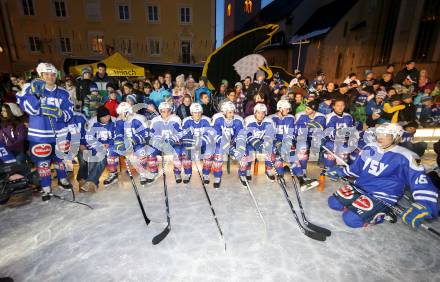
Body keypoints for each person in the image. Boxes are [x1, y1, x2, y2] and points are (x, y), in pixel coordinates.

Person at [327, 123, 438, 229]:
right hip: (360, 186)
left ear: (396, 137)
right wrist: (342, 171)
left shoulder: (409, 157)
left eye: (386, 134)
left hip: (383, 194)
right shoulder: (370, 147)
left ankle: (384, 213)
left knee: (351, 219)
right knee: (333, 203)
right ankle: (360, 206)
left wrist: (424, 205)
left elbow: (421, 180)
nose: (380, 137)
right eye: (379, 133)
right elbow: (357, 168)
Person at [16, 62, 74, 199]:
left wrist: (60, 114)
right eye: (46, 74)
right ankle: (46, 186)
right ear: (40, 75)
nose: (50, 77)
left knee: (60, 159)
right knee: (43, 163)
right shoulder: (30, 89)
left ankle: (62, 179)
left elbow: (69, 112)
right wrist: (37, 96)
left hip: (60, 133)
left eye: (53, 74)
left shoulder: (63, 92)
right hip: (40, 134)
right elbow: (29, 109)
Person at [113, 102, 150, 185]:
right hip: (128, 143)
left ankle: (143, 173)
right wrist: (119, 143)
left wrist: (133, 140)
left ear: (127, 112)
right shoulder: (119, 121)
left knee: (141, 154)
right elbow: (118, 134)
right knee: (117, 150)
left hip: (140, 142)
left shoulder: (139, 119)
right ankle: (134, 166)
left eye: (121, 113)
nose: (120, 115)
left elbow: (145, 134)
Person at [81, 106, 117, 192]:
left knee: (100, 159)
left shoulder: (113, 125)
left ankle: (90, 182)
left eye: (108, 116)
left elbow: (117, 138)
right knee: (93, 160)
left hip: (109, 149)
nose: (107, 118)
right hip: (97, 149)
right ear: (99, 118)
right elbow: (89, 140)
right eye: (104, 117)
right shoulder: (94, 126)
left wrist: (109, 144)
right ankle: (93, 184)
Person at [210, 101, 244, 188]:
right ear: (224, 112)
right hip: (220, 142)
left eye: (233, 111)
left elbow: (240, 135)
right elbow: (215, 135)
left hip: (233, 142)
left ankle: (242, 174)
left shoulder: (238, 120)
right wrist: (229, 147)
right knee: (218, 154)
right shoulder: (217, 118)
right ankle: (217, 176)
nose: (232, 114)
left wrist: (237, 146)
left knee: (243, 152)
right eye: (230, 112)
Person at [239, 103, 275, 185]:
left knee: (271, 149)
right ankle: (246, 170)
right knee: (249, 151)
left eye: (263, 113)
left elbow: (270, 135)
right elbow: (246, 135)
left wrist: (266, 143)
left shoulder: (269, 121)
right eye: (259, 112)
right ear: (255, 112)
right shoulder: (248, 120)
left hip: (262, 142)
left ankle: (268, 170)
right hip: (248, 142)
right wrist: (255, 142)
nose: (261, 115)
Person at [148, 102, 183, 183]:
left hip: (172, 144)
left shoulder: (176, 119)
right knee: (151, 152)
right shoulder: (155, 120)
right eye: (163, 111)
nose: (166, 113)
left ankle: (177, 172)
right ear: (160, 111)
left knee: (178, 152)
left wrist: (172, 139)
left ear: (171, 111)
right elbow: (151, 134)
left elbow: (180, 133)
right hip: (159, 144)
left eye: (168, 111)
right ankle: (153, 172)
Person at [294, 100, 325, 189]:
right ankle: (303, 171)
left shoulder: (321, 117)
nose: (305, 110)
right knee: (303, 147)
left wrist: (310, 125)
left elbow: (321, 129)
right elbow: (297, 130)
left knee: (323, 142)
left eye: (308, 109)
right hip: (303, 137)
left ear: (314, 110)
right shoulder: (301, 115)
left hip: (315, 138)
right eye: (306, 108)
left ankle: (323, 164)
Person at [181, 103, 213, 183]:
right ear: (191, 113)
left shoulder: (206, 120)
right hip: (191, 143)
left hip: (203, 143)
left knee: (209, 152)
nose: (197, 114)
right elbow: (185, 135)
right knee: (185, 152)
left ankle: (206, 174)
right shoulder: (186, 121)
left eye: (199, 112)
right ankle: (187, 173)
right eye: (195, 112)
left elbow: (209, 134)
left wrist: (200, 143)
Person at [323, 98, 354, 170]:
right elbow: (329, 132)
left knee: (346, 147)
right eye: (338, 105)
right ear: (333, 106)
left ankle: (341, 167)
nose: (340, 107)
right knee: (330, 146)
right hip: (330, 140)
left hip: (344, 140)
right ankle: (328, 167)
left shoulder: (348, 116)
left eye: (342, 105)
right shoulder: (329, 116)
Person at [269, 99, 295, 176]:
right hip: (276, 142)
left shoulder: (291, 118)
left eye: (288, 109)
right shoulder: (271, 118)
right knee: (277, 154)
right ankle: (279, 172)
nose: (288, 111)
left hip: (286, 141)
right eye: (286, 109)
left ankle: (300, 174)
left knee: (293, 153)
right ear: (280, 109)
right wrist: (276, 143)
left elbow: (291, 132)